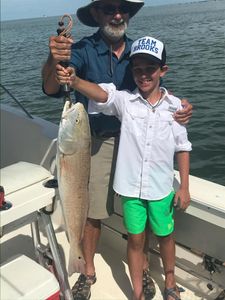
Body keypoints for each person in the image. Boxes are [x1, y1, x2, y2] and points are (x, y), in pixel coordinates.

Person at [42, 1, 193, 299]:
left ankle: (145, 269)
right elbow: (52, 86)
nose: (117, 14)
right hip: (94, 141)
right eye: (109, 8)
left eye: (122, 8)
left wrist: (180, 106)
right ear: (97, 14)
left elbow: (155, 89)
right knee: (93, 210)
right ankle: (87, 271)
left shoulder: (139, 51)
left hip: (136, 143)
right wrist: (53, 59)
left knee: (143, 210)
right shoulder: (83, 49)